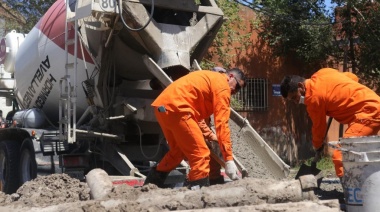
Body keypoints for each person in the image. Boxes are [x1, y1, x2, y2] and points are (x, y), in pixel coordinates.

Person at [145, 68, 246, 188]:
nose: (235, 91)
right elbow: (222, 124)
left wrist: (209, 135)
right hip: (179, 109)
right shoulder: (223, 86)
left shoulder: (209, 81)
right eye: (238, 86)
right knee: (201, 155)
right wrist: (229, 159)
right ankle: (195, 195)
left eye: (239, 90)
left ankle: (151, 186)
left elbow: (199, 119)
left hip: (163, 108)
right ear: (230, 76)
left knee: (178, 152)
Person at [280, 68, 380, 179]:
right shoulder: (322, 73)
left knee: (340, 157)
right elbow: (352, 77)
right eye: (292, 100)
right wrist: (336, 98)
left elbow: (319, 127)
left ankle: (351, 191)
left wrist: (318, 146)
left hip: (367, 114)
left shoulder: (313, 99)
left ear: (301, 86)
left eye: (295, 97)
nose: (296, 101)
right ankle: (367, 183)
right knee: (360, 155)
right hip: (373, 104)